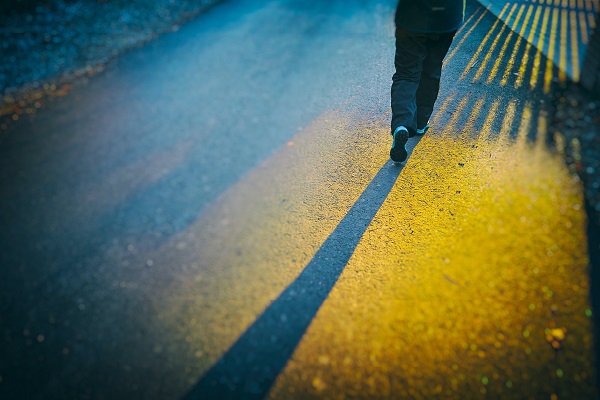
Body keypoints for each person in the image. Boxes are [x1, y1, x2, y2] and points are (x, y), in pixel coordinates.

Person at [390, 0, 466, 163]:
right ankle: (420, 123)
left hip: (412, 16)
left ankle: (402, 124)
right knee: (432, 69)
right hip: (447, 17)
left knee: (406, 74)